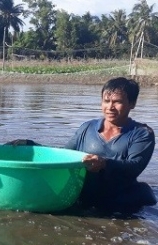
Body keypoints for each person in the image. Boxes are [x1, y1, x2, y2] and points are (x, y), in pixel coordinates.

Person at [63, 77, 156, 213]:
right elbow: (64, 154)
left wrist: (104, 163)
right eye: (106, 101)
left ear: (132, 103)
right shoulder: (87, 127)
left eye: (117, 102)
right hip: (85, 196)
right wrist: (30, 145)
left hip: (118, 200)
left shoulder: (142, 134)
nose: (110, 107)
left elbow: (135, 166)